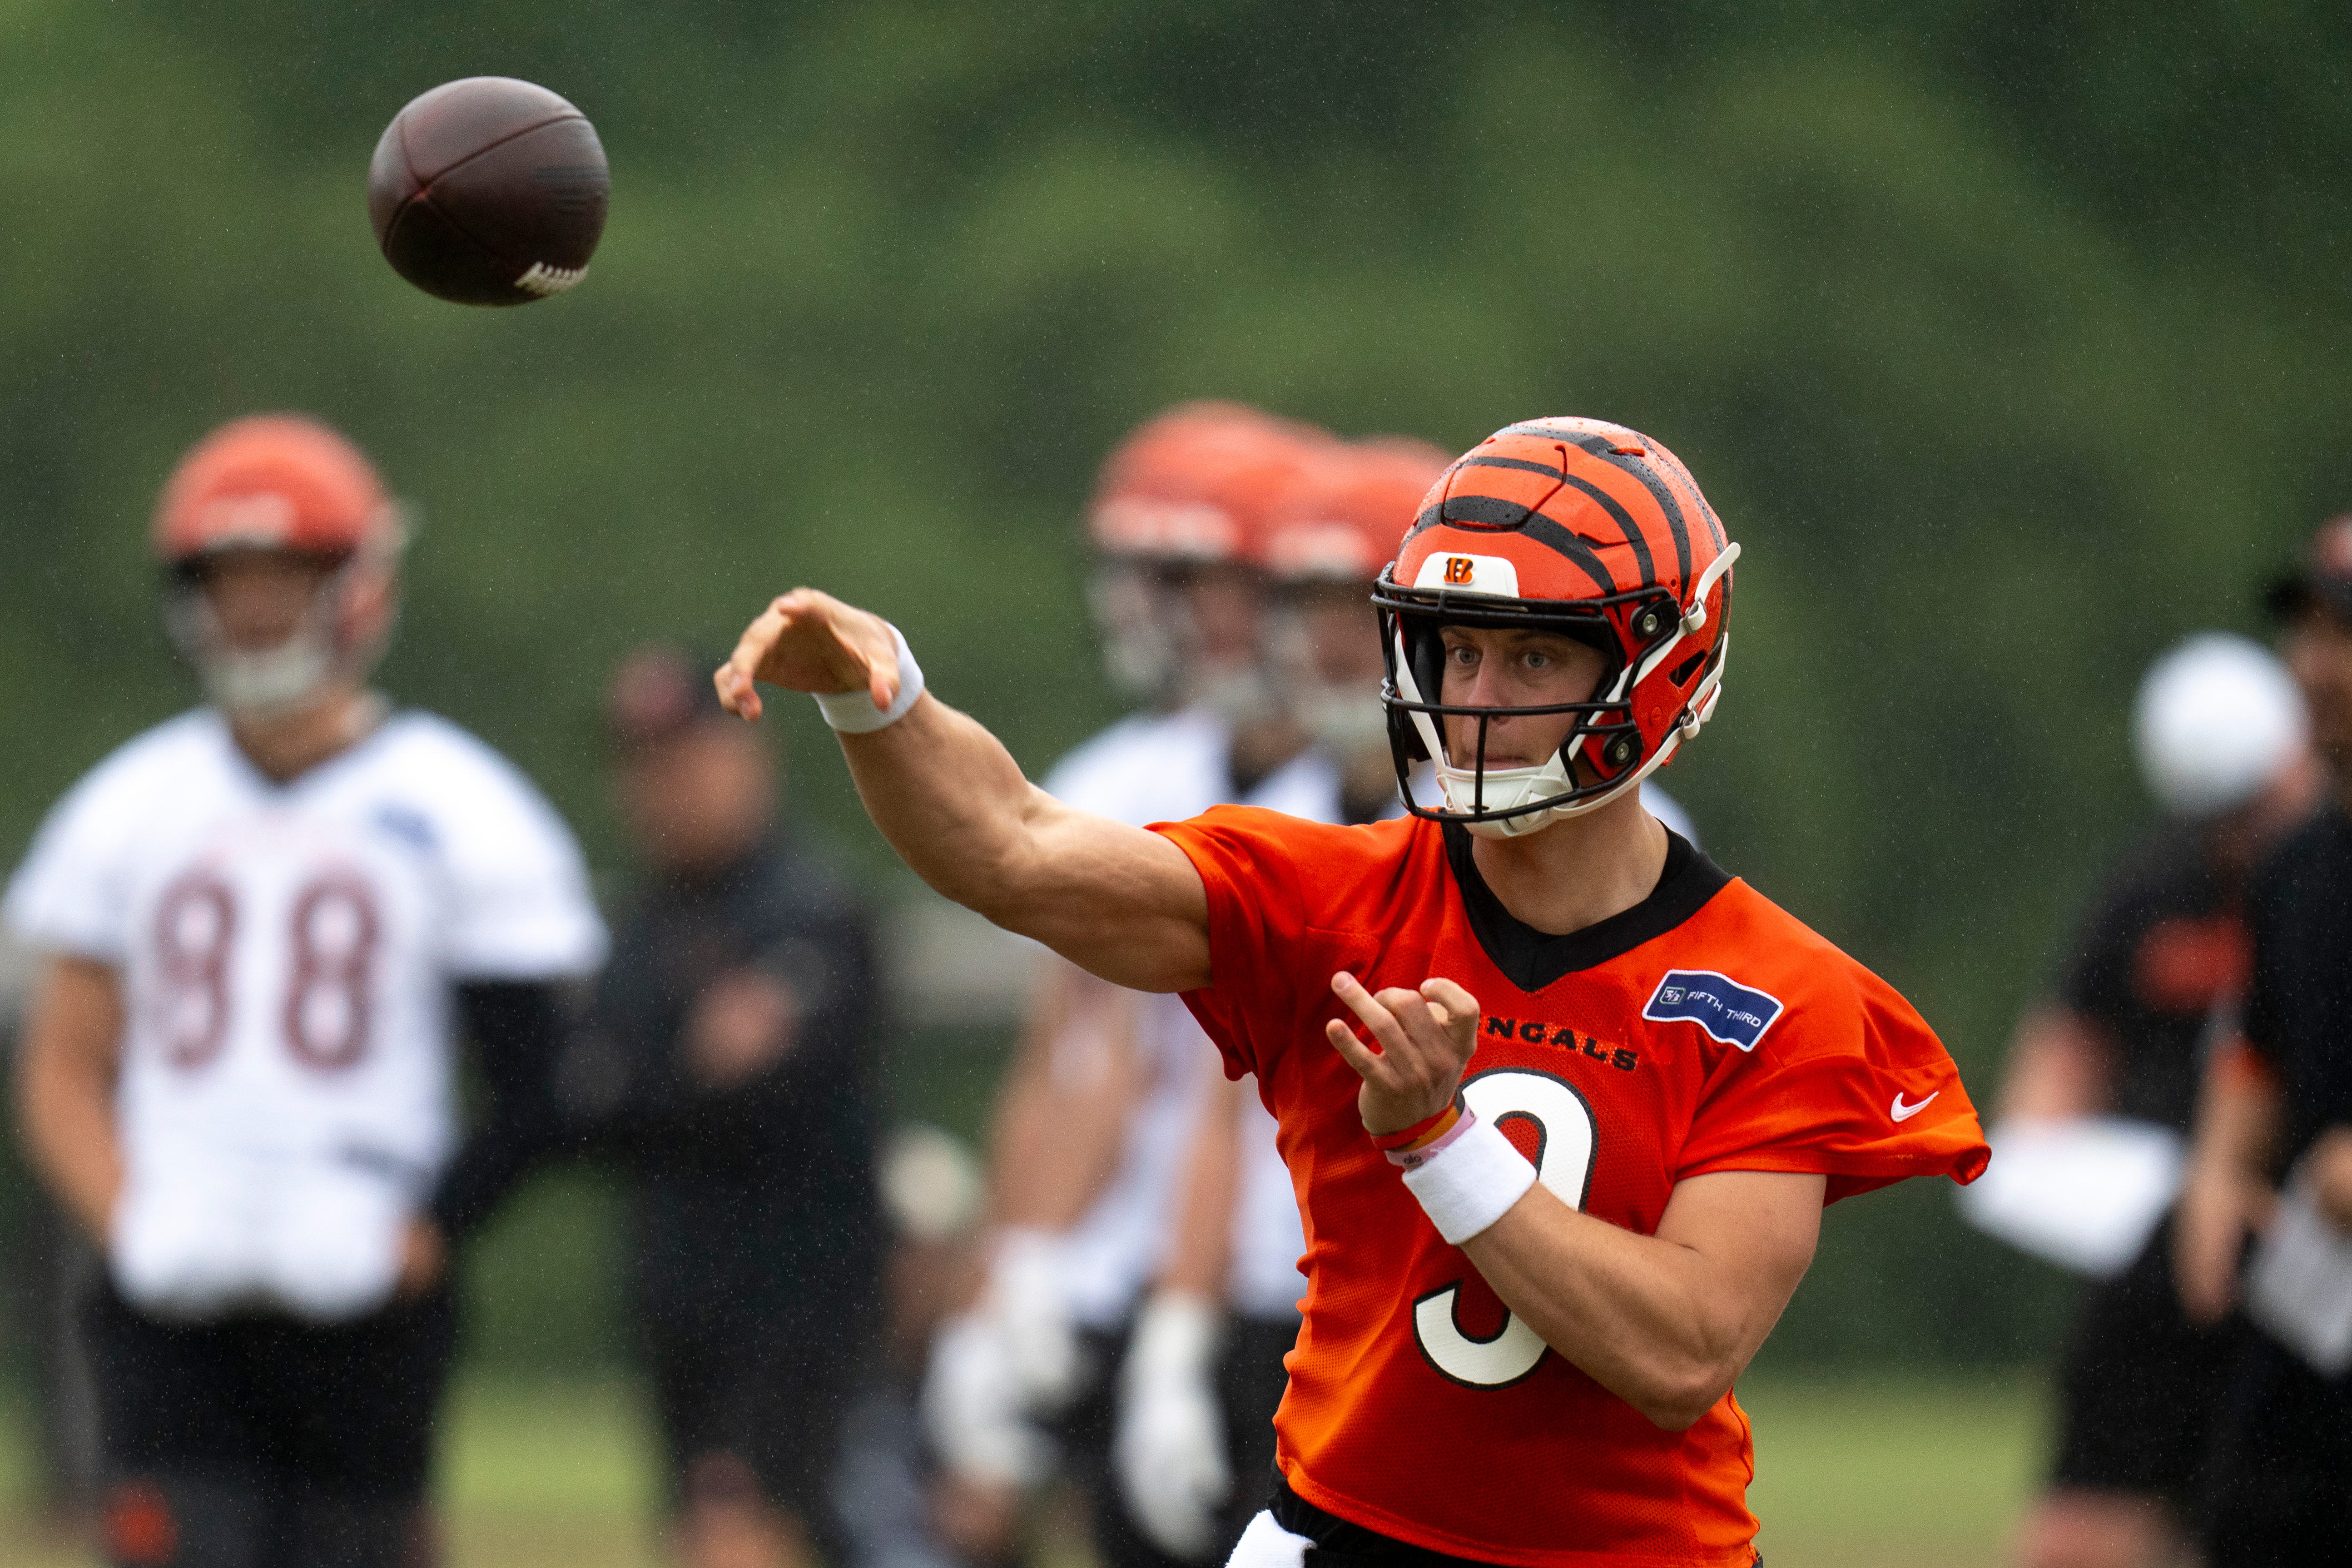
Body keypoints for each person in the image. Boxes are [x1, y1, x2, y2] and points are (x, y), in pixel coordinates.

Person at [716, 414, 1989, 1568]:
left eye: (1532, 658)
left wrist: (1443, 1143)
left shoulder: (1782, 993)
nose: (1476, 700)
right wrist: (881, 700)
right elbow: (1013, 849)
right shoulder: (1332, 890)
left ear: (1664, 659)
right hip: (1345, 1532)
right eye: (1455, 651)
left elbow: (1680, 1349)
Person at [8, 416, 606, 1568]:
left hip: (359, 1300)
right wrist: (129, 1220)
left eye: (285, 581)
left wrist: (423, 1237)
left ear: (356, 590)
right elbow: (62, 1061)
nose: (257, 612)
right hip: (174, 1302)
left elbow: (539, 1085)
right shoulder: (129, 805)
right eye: (232, 583)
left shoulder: (464, 807)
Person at [922, 403, 1331, 1568]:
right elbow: (1072, 1060)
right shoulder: (1128, 772)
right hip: (1139, 1262)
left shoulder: (1355, 800)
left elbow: (1221, 1090)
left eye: (1187, 571)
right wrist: (1012, 1267)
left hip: (1297, 1268)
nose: (1159, 603)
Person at [1984, 635, 2311, 1568]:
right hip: (2152, 1252)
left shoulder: (2325, 881)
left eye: (2256, 807)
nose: (2238, 839)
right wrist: (2040, 1161)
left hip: (2305, 1253)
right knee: (2079, 1535)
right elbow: (2060, 1057)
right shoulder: (2150, 888)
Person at [560, 643, 887, 1568]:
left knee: (756, 1535)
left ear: (752, 757)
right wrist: (675, 1071)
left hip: (797, 1308)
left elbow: (751, 1089)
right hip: (679, 1298)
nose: (665, 788)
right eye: (643, 766)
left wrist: (647, 1077)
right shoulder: (636, 927)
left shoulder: (813, 910)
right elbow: (591, 1106)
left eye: (688, 759)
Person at [2175, 516, 2352, 1567]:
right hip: (2314, 1326)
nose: (2317, 667)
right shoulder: (2294, 865)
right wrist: (2218, 1170)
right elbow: (2259, 1048)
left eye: (2344, 637)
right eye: (2310, 635)